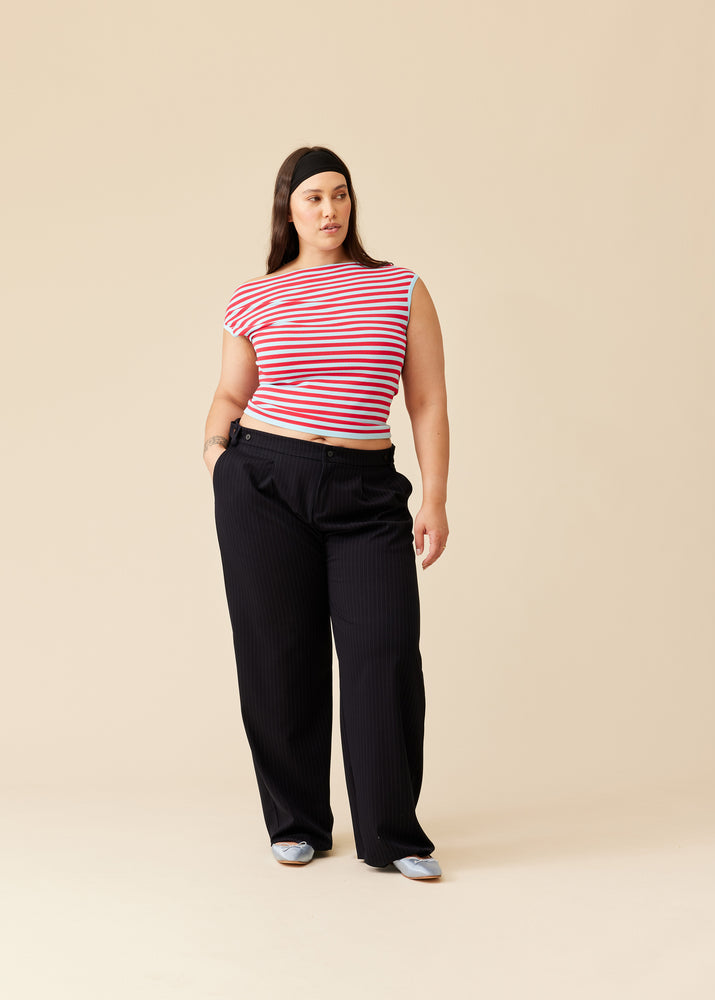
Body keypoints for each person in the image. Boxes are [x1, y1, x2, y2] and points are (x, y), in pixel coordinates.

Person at [203, 146, 449, 881]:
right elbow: (231, 394)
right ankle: (297, 821)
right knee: (278, 656)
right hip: (263, 482)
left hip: (366, 490)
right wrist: (219, 460)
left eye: (339, 194)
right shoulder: (255, 296)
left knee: (384, 655)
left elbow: (426, 400)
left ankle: (392, 833)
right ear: (289, 209)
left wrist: (434, 496)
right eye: (313, 196)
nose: (330, 209)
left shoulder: (400, 287)